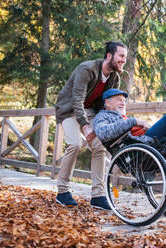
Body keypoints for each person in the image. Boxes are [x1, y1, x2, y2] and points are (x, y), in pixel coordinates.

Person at [54, 41, 127, 210]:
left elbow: (107, 105)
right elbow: (76, 100)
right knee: (75, 144)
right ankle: (63, 192)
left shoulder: (115, 78)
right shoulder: (86, 69)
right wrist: (85, 126)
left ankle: (98, 195)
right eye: (121, 56)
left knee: (99, 145)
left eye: (125, 57)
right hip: (70, 110)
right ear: (109, 56)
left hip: (91, 112)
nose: (124, 60)